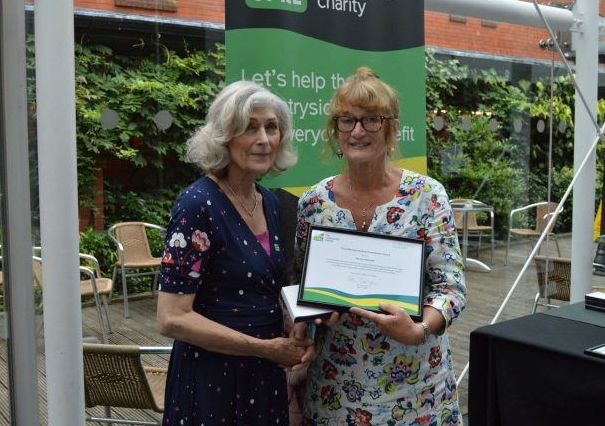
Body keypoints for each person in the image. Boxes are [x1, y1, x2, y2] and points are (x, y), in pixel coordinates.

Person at [294, 67, 467, 424]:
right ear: (335, 130)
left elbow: (450, 287)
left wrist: (419, 328)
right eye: (347, 120)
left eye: (371, 120)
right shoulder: (313, 202)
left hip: (416, 389)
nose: (358, 131)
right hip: (335, 389)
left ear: (390, 128)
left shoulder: (427, 196)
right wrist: (309, 317)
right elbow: (302, 284)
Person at [157, 80, 314, 425]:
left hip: (264, 378)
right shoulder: (198, 205)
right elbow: (172, 317)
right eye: (248, 127)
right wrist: (264, 347)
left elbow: (264, 287)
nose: (263, 139)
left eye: (271, 127)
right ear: (224, 137)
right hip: (213, 380)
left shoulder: (270, 202)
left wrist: (292, 325)